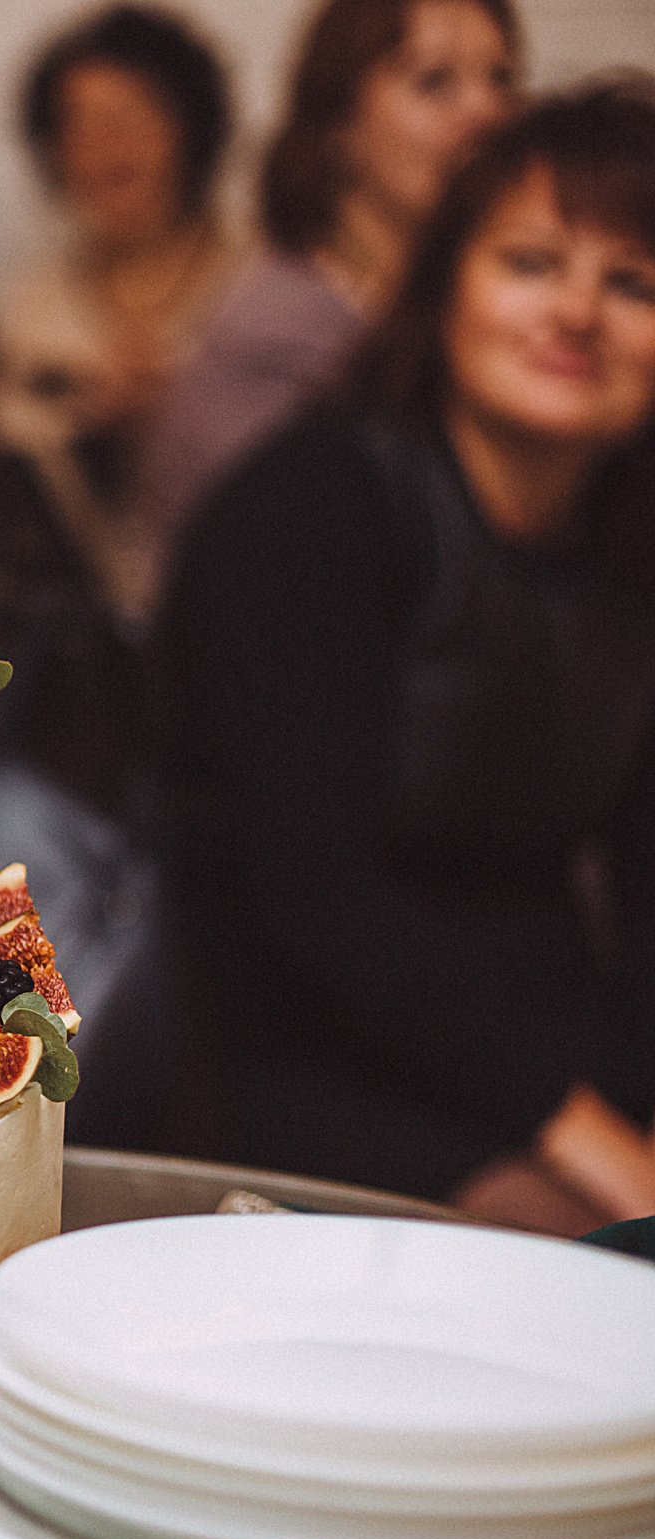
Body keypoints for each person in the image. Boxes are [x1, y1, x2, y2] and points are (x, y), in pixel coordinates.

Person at [153, 82, 655, 1231]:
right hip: (298, 1059)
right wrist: (590, 1141)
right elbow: (313, 901)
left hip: (548, 1054)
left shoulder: (633, 543)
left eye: (631, 283)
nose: (577, 313)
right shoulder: (305, 508)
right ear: (443, 291)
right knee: (600, 1283)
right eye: (532, 262)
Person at [139, 0, 518, 562]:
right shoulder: (279, 339)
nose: (489, 112)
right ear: (339, 128)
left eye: (503, 79)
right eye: (436, 82)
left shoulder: (439, 303)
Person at [0, 4, 239, 624]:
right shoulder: (30, 308)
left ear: (192, 128)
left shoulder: (260, 289)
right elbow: (3, 464)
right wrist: (83, 419)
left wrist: (184, 411)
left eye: (136, 117)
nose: (111, 148)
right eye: (83, 125)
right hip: (80, 637)